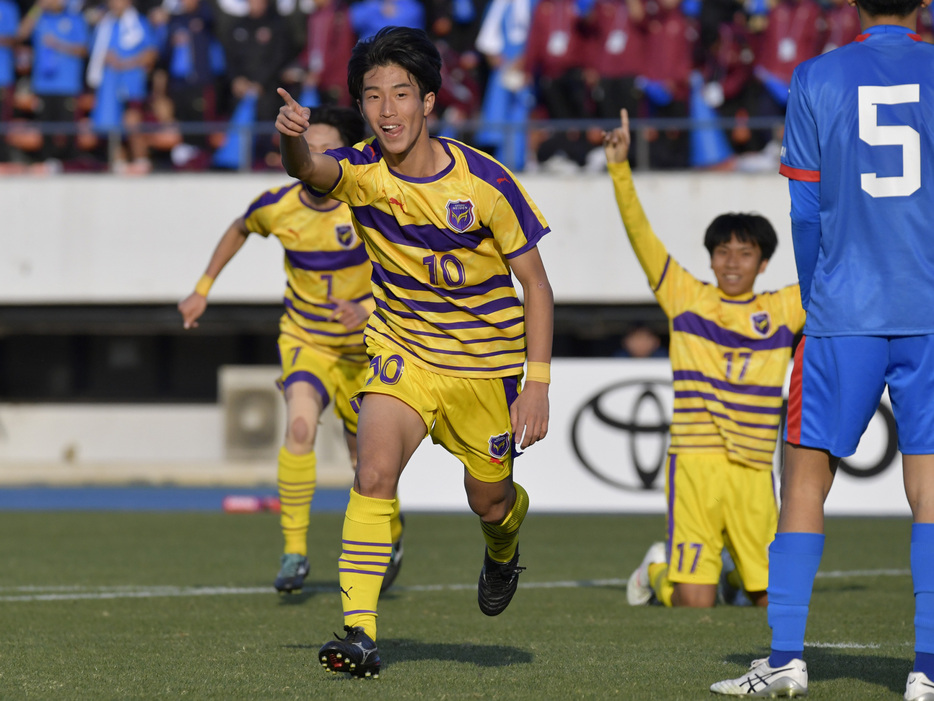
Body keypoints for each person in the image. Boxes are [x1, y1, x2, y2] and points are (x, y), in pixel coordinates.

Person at [276, 26, 554, 678]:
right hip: (403, 355)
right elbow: (309, 169)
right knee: (372, 473)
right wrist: (293, 135)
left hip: (486, 370)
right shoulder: (363, 171)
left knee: (489, 500)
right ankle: (360, 633)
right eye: (373, 96)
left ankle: (503, 545)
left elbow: (536, 284)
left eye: (401, 93)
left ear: (429, 100)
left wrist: (536, 383)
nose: (387, 109)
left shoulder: (485, 182)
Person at [711, 0, 934, 697]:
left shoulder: (815, 75)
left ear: (852, 4)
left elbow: (804, 211)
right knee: (930, 486)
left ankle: (784, 658)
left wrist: (817, 294)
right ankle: (926, 669)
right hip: (928, 306)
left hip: (845, 310)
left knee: (806, 475)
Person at [177, 105, 407, 595]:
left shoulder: (367, 200)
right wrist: (202, 288)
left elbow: (408, 267)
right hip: (308, 339)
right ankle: (294, 552)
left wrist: (369, 305)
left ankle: (392, 535)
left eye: (324, 147)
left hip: (370, 348)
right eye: (306, 146)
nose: (313, 155)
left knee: (367, 464)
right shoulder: (278, 205)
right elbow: (239, 228)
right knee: (299, 427)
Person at [603, 109, 805, 609]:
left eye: (745, 252)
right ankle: (658, 567)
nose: (732, 262)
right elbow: (641, 239)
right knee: (695, 603)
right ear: (710, 256)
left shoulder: (782, 307)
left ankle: (740, 577)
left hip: (755, 468)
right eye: (723, 251)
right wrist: (620, 171)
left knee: (769, 602)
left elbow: (839, 268)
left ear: (763, 261)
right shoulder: (686, 297)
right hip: (694, 461)